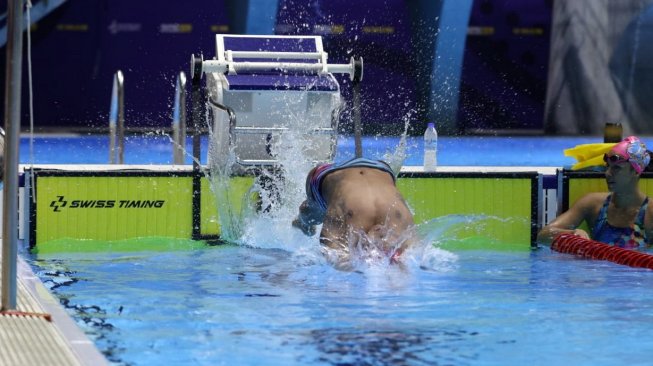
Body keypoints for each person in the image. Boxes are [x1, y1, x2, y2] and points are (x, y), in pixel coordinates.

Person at [292, 157, 416, 269]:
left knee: (310, 219)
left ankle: (302, 224)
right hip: (377, 176)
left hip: (376, 170)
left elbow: (334, 257)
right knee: (308, 215)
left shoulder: (346, 213)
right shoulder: (395, 220)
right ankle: (303, 223)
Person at [537, 136, 653, 248]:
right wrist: (572, 234)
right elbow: (543, 236)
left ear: (636, 171)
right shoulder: (594, 204)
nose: (608, 173)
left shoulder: (650, 212)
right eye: (607, 167)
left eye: (616, 168)